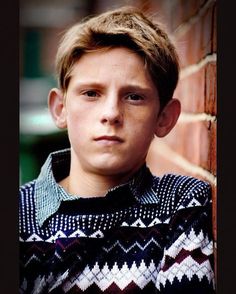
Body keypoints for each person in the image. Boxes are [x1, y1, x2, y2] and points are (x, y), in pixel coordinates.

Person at [19, 6, 215, 293]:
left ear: (164, 118)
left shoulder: (180, 206)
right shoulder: (20, 217)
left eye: (134, 97)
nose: (111, 113)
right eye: (91, 93)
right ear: (60, 109)